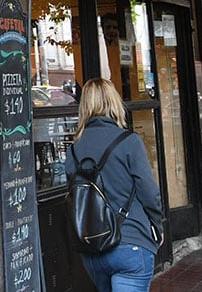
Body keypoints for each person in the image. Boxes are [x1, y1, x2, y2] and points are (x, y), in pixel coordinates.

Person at [65, 78, 163, 292]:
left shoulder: (73, 149)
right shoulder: (129, 141)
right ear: (114, 102)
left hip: (92, 248)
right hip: (131, 241)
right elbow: (149, 192)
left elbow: (74, 198)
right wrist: (157, 226)